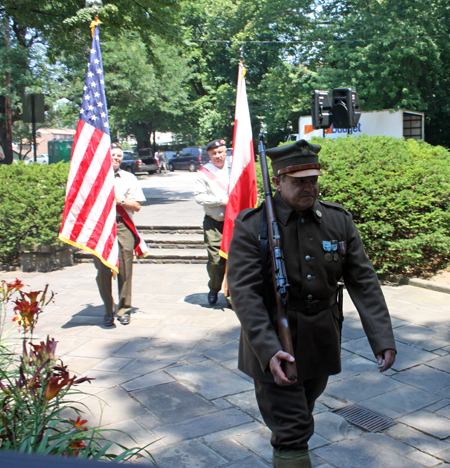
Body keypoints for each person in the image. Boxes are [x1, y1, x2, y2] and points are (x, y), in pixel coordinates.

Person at [227, 139, 396, 468]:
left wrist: (382, 338)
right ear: (277, 181)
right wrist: (267, 348)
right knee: (293, 429)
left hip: (321, 339)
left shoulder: (337, 221)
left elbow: (363, 281)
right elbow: (243, 293)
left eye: (313, 179)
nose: (309, 187)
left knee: (304, 408)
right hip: (275, 343)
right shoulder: (252, 226)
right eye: (298, 181)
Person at [94, 142, 146, 326]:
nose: (116, 158)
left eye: (119, 156)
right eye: (113, 154)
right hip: (100, 228)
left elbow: (137, 206)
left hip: (122, 224)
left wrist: (120, 200)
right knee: (103, 271)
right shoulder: (94, 177)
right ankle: (108, 310)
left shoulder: (129, 178)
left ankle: (124, 309)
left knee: (125, 269)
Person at [194, 139, 229, 305]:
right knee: (216, 261)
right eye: (214, 153)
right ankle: (214, 288)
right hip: (214, 223)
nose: (218, 156)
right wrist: (221, 201)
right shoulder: (203, 173)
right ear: (209, 155)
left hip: (234, 223)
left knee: (236, 260)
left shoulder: (235, 170)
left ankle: (232, 295)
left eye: (221, 152)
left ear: (225, 152)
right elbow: (199, 197)